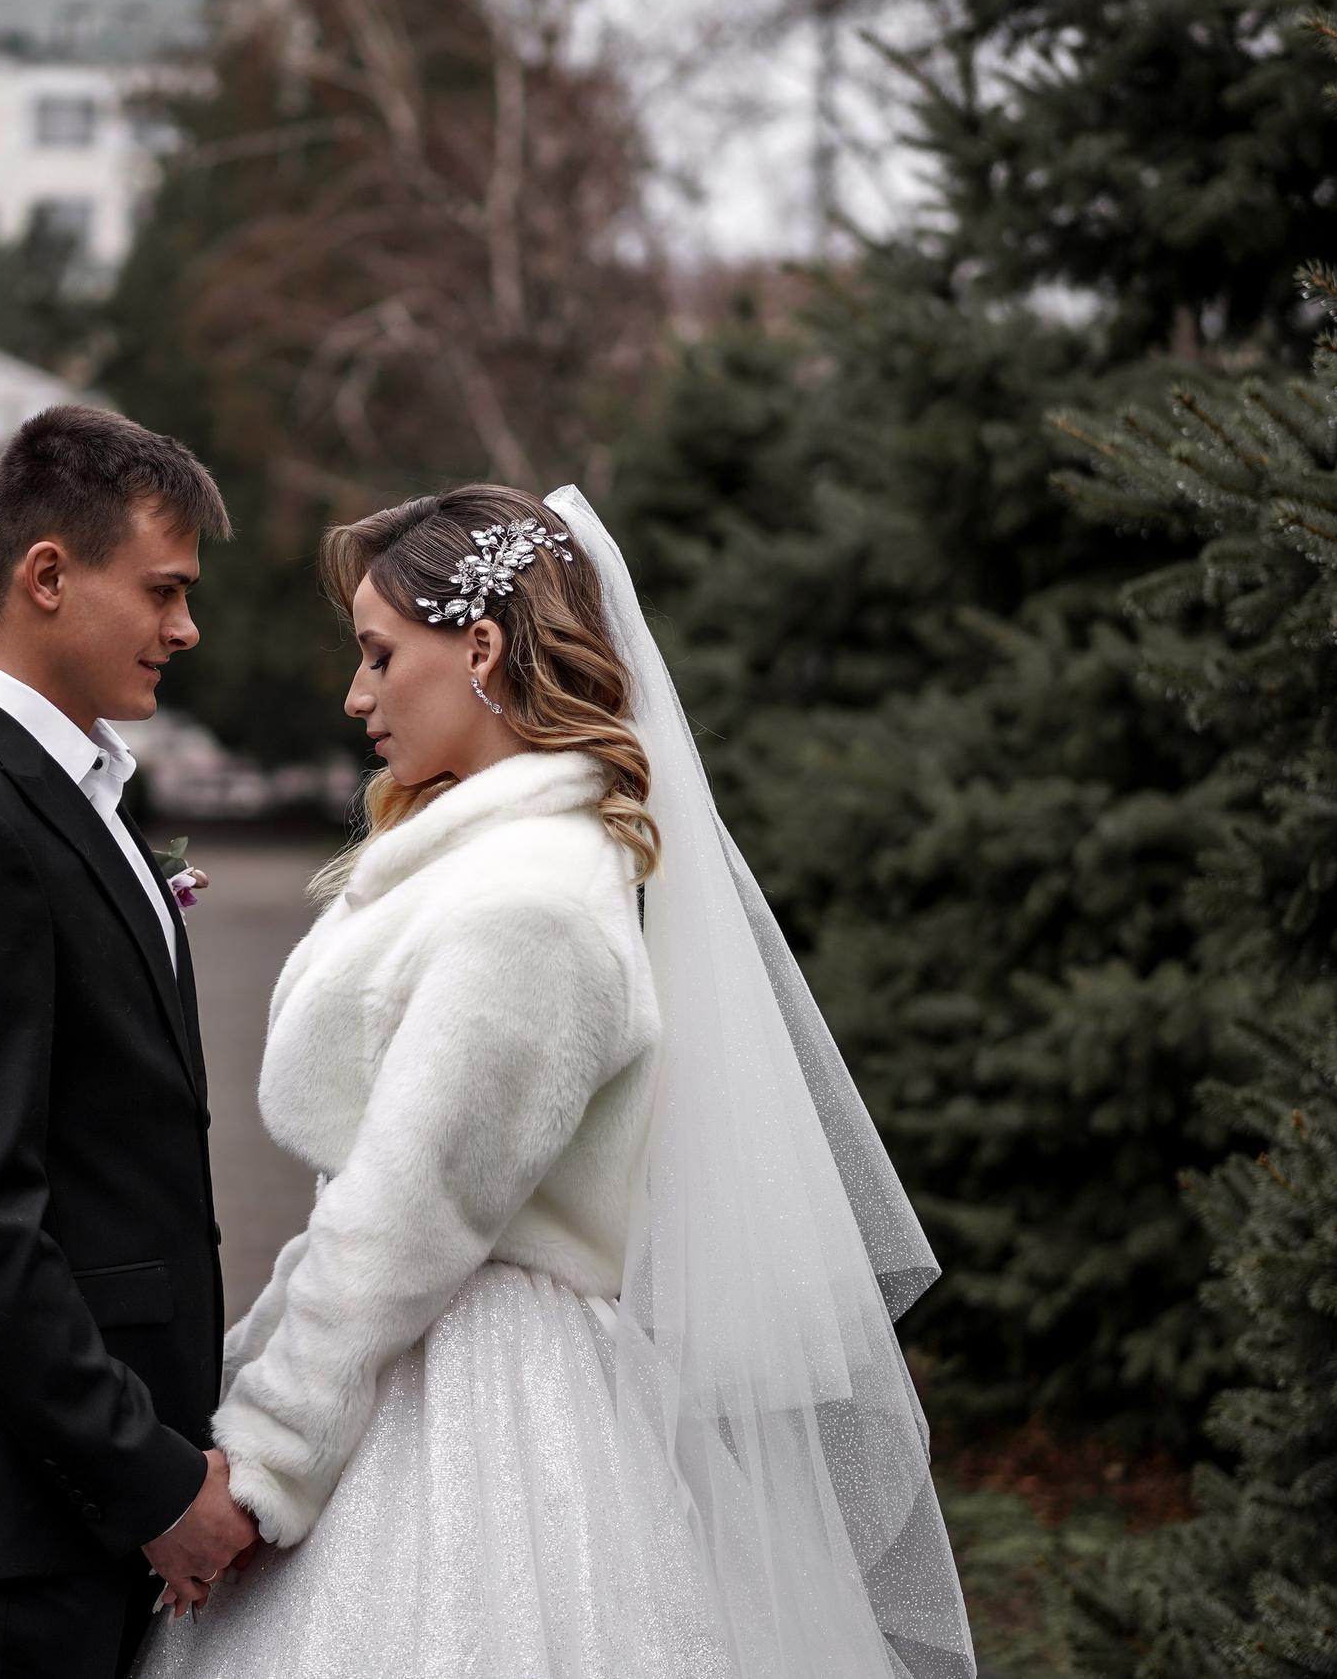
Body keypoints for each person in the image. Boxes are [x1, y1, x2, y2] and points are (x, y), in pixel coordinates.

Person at [138, 486, 976, 1678]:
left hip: (480, 1410)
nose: (355, 696)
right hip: (424, 1363)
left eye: (380, 655)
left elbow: (405, 1214)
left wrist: (262, 1465)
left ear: (479, 647)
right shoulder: (482, 865)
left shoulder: (529, 902)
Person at [0, 405, 260, 1679]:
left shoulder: (68, 794)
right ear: (47, 576)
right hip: (19, 1523)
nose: (186, 628)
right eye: (164, 590)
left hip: (71, 1513)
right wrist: (151, 1485)